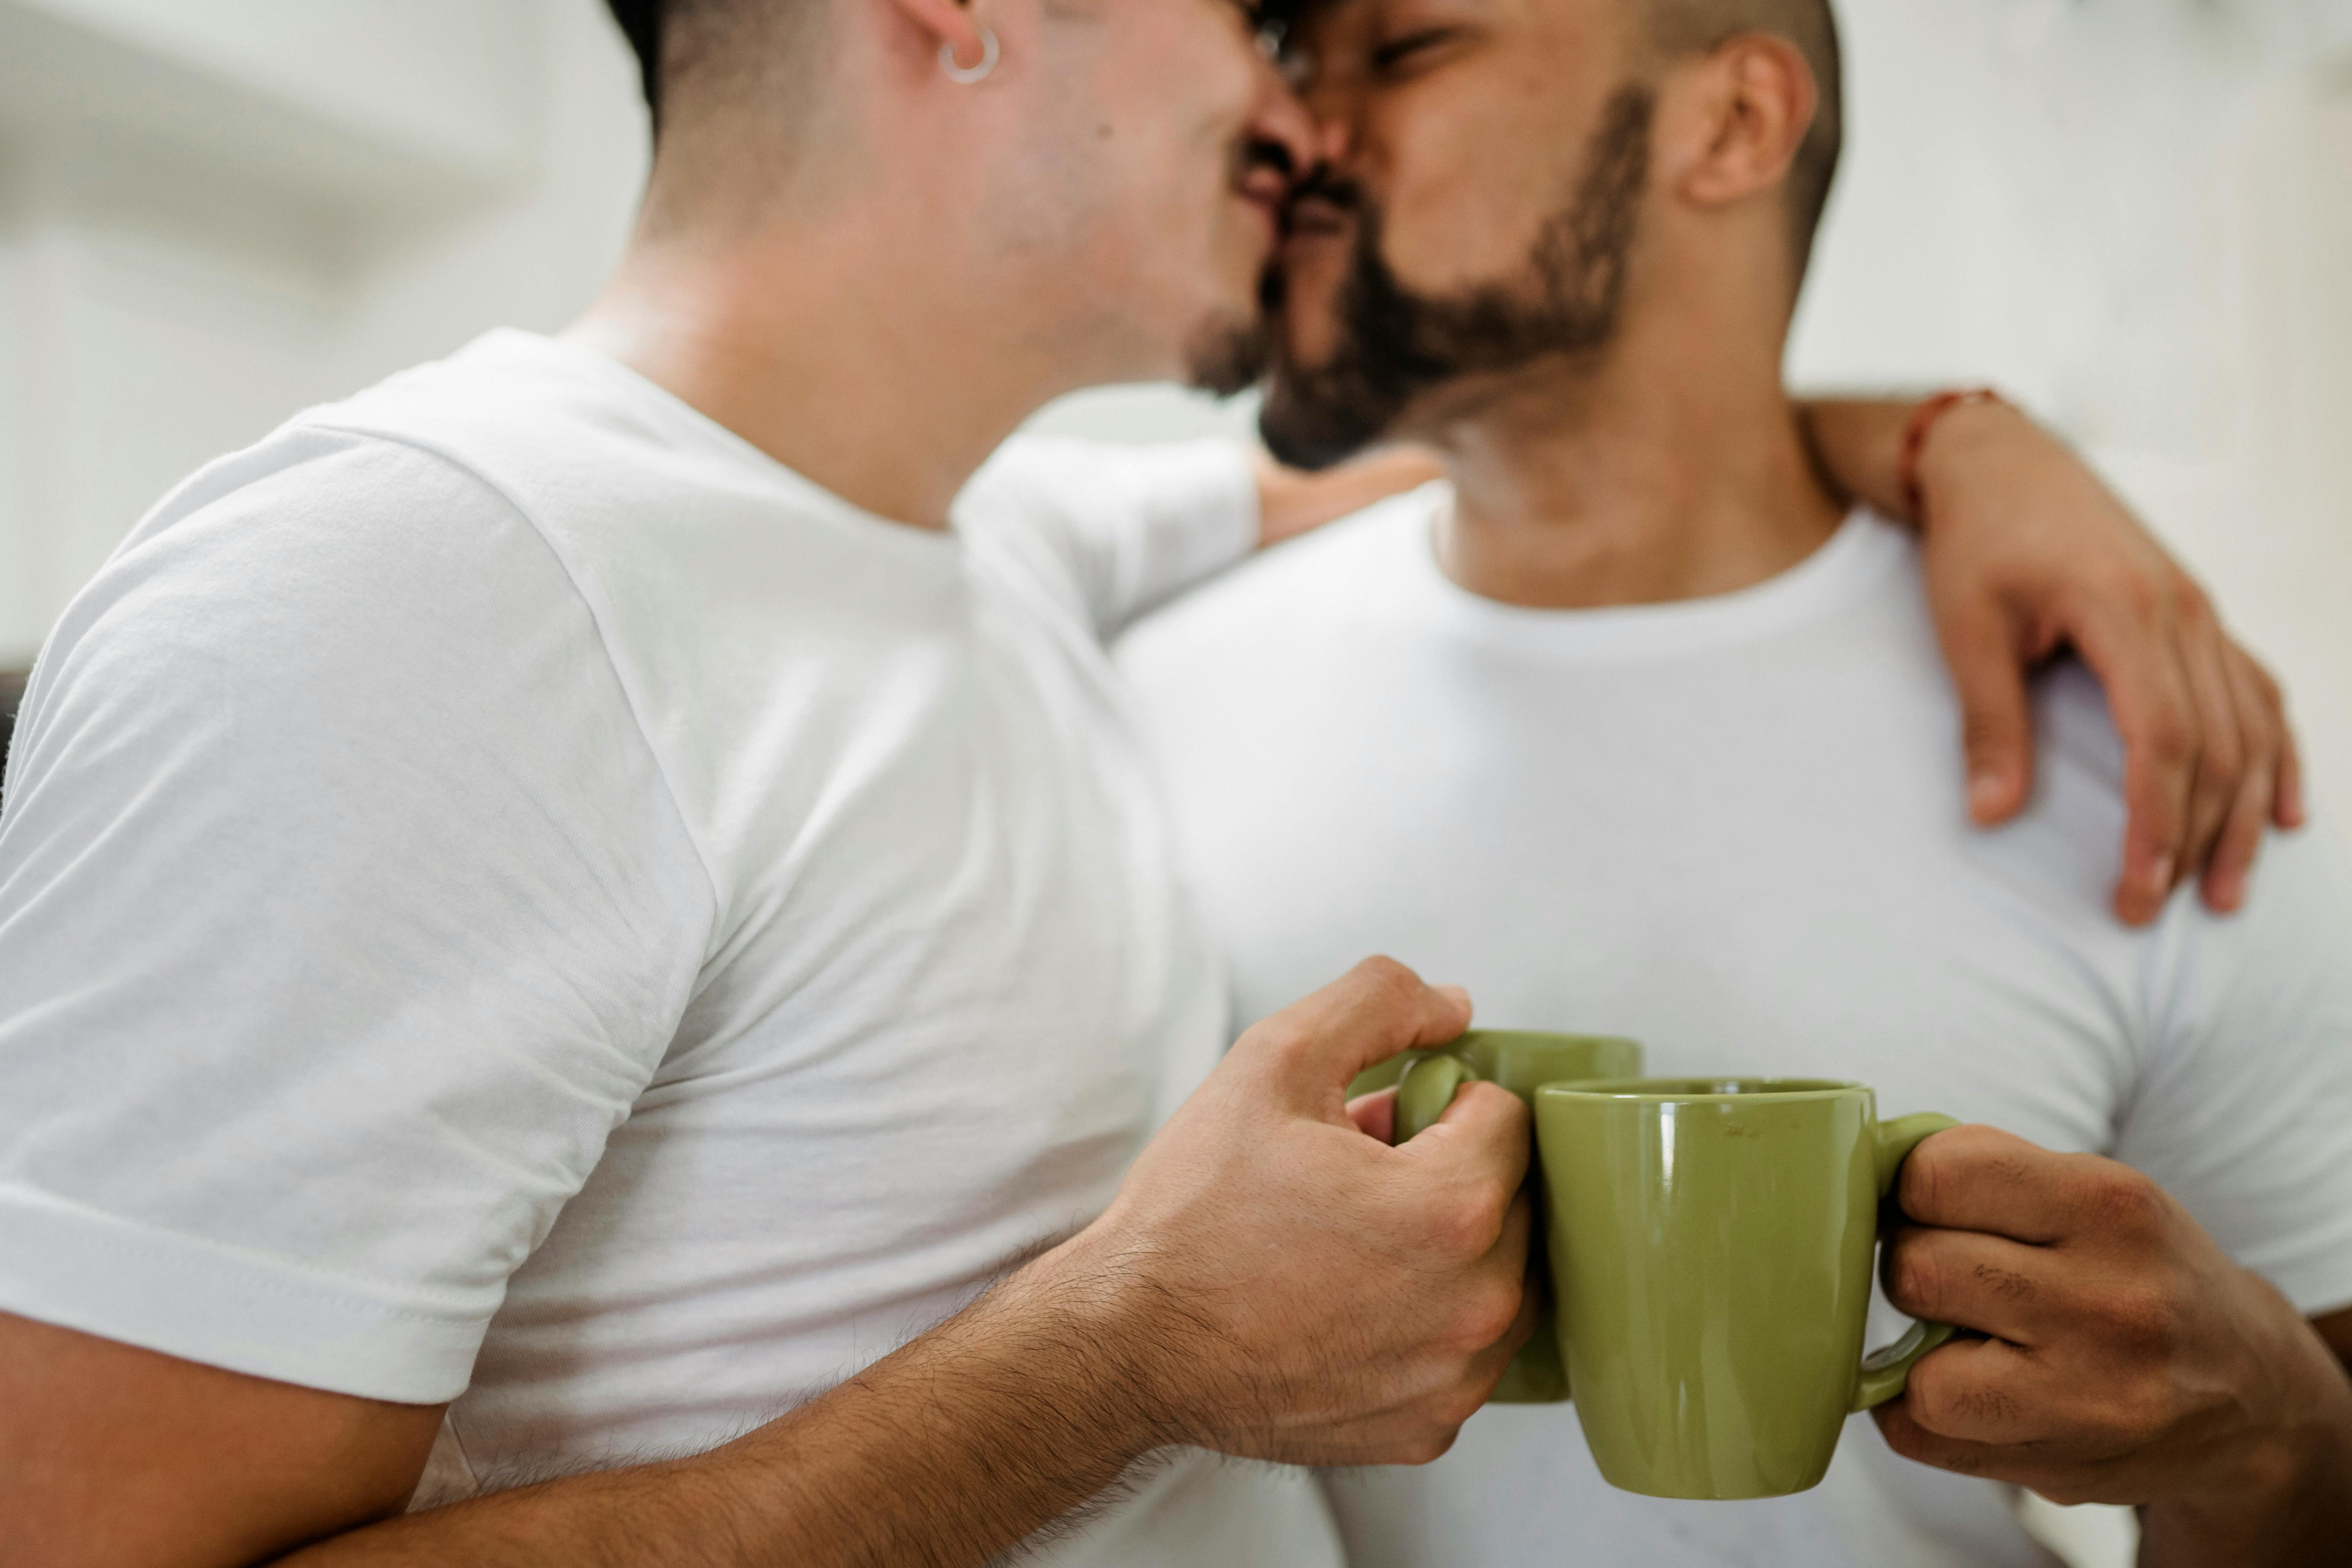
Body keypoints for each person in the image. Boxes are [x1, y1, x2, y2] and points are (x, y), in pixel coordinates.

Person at [0, 3, 2308, 1567]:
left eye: (1375, 41)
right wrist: (1117, 1359)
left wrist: (1962, 436)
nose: (1302, 114)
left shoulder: (994, 549)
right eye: (1254, 11)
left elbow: (1590, 444)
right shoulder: (410, 577)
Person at [1119, 1, 2352, 1565]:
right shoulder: (1124, 704)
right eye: (1295, 59)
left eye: (1406, 49)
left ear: (1732, 125)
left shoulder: (2147, 748)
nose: (1290, 126)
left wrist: (2266, 1441)